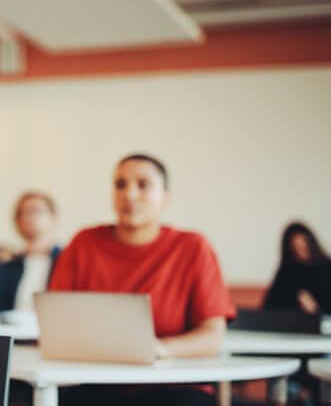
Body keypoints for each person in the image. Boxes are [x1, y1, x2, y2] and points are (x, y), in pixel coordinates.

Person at [48, 153, 236, 406]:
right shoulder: (83, 243)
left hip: (174, 385)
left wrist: (163, 348)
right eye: (120, 184)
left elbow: (213, 335)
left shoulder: (193, 247)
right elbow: (56, 323)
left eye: (143, 185)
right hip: (97, 383)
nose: (130, 194)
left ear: (166, 198)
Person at [0, 191, 61, 314]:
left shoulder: (66, 261)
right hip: (12, 330)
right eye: (22, 213)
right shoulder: (7, 266)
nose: (28, 217)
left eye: (36, 211)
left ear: (52, 217)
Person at [264, 222, 331, 315]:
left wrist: (317, 309)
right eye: (296, 249)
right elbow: (269, 309)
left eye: (305, 247)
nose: (302, 253)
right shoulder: (286, 272)